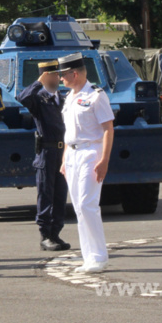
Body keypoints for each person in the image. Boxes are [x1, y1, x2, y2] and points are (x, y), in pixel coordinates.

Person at [58, 53, 114, 274]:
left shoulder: (96, 96)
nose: (60, 78)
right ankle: (88, 256)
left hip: (91, 152)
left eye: (63, 74)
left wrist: (104, 160)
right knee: (79, 208)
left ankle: (99, 257)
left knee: (86, 204)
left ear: (74, 73)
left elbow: (108, 128)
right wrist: (64, 158)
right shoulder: (70, 97)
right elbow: (69, 132)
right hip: (73, 153)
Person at [18, 61, 71, 252]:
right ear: (45, 77)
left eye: (58, 75)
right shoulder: (39, 99)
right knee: (46, 194)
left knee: (60, 195)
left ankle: (56, 233)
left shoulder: (63, 99)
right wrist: (38, 82)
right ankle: (45, 235)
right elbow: (22, 98)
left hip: (63, 152)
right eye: (53, 75)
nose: (57, 78)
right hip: (47, 152)